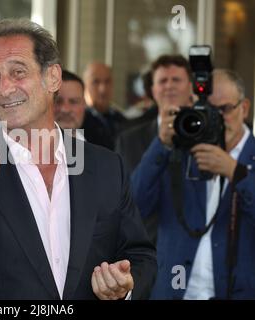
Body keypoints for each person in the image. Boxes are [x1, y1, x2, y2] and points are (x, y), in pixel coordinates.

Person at [0, 18, 156, 300]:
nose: (4, 89)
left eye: (17, 72)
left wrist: (124, 286)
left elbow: (141, 255)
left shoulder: (106, 167)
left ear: (53, 78)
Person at [131, 69, 255, 299]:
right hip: (175, 290)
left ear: (244, 108)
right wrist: (162, 145)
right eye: (207, 110)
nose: (215, 118)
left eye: (224, 110)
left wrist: (235, 172)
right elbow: (134, 205)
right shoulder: (179, 151)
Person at [116, 55, 193, 245]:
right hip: (145, 250)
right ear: (152, 89)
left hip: (193, 245)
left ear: (191, 86)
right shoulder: (128, 139)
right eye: (162, 80)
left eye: (176, 80)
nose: (169, 86)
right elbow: (124, 201)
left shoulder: (208, 135)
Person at [54, 69, 114, 148]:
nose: (65, 109)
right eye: (58, 101)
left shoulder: (101, 145)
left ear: (84, 104)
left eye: (74, 102)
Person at [83, 62, 127, 149]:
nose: (103, 89)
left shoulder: (121, 120)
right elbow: (76, 160)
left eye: (107, 81)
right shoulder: (77, 120)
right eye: (96, 82)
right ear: (84, 85)